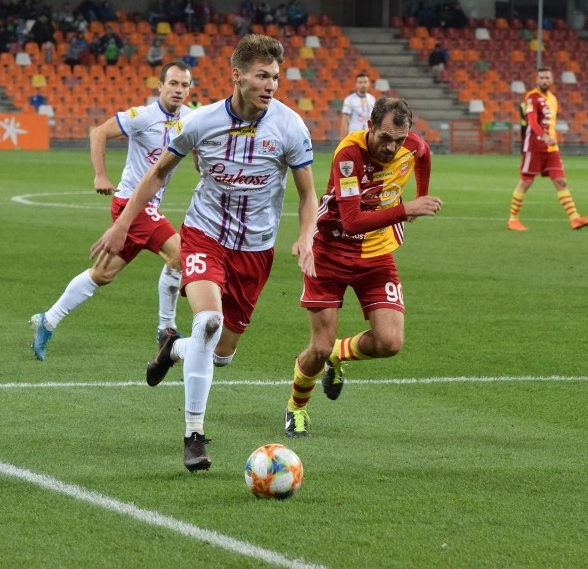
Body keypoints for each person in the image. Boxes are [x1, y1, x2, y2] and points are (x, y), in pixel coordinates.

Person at [89, 34, 318, 472]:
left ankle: (173, 350)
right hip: (204, 234)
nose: (271, 85)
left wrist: (306, 235)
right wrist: (120, 225)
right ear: (236, 75)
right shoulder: (200, 122)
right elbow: (157, 174)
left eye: (276, 77)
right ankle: (194, 434)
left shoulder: (290, 126)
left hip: (255, 249)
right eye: (261, 76)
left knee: (221, 353)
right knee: (208, 321)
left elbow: (308, 193)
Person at [283, 97, 442, 437]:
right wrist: (406, 208)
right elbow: (353, 221)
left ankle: (339, 356)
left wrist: (421, 197)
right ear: (369, 126)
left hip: (377, 255)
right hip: (330, 251)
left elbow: (424, 155)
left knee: (389, 342)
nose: (392, 146)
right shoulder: (349, 155)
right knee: (319, 346)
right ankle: (296, 406)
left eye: (399, 139)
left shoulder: (410, 144)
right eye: (385, 137)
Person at [30, 61, 194, 361]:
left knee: (102, 274)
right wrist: (100, 175)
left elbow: (198, 147)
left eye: (184, 85)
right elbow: (98, 133)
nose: (178, 90)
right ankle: (166, 329)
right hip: (131, 203)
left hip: (148, 207)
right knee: (180, 256)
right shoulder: (143, 116)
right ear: (160, 86)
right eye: (173, 83)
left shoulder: (191, 118)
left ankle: (47, 320)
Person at [506, 67, 588, 231]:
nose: (544, 80)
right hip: (534, 146)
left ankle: (575, 218)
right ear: (537, 80)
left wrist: (550, 139)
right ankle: (513, 219)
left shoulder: (553, 99)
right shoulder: (531, 98)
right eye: (541, 78)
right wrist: (544, 136)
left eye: (547, 77)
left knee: (561, 181)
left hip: (551, 149)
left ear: (552, 80)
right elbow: (532, 121)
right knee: (526, 182)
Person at [340, 72, 376, 139]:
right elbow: (344, 122)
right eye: (360, 82)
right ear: (356, 84)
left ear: (369, 83)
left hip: (369, 136)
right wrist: (342, 141)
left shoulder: (372, 99)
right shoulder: (349, 100)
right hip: (355, 136)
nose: (363, 85)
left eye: (365, 82)